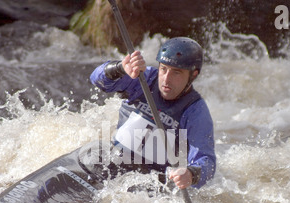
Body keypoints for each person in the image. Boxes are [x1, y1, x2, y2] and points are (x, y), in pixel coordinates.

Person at [90, 37, 216, 189]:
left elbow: (206, 161)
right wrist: (121, 68)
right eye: (164, 69)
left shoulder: (196, 111)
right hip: (114, 162)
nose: (166, 79)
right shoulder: (144, 78)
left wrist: (191, 173)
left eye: (176, 73)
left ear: (193, 75)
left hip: (151, 183)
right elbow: (97, 79)